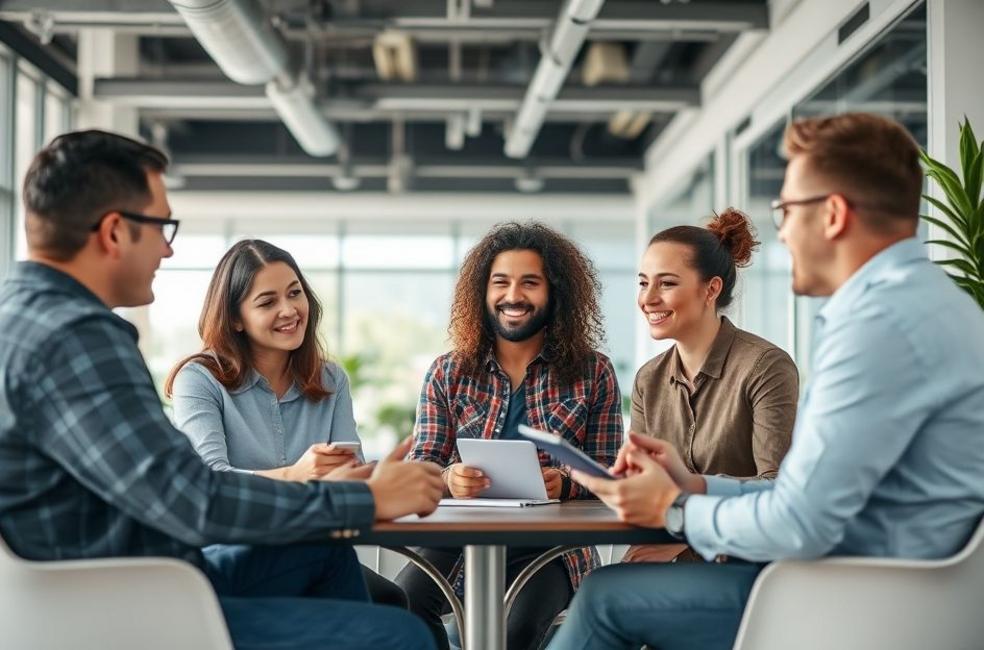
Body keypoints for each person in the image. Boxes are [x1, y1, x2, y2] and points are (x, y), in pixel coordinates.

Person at [547, 112, 984, 650]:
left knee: (602, 599)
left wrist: (673, 511)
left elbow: (800, 522)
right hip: (894, 582)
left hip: (867, 596)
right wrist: (696, 485)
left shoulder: (878, 324)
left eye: (786, 210)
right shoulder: (931, 304)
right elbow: (809, 495)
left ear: (832, 215)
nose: (780, 231)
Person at [0, 130, 442, 650]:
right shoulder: (76, 337)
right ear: (115, 232)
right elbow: (193, 498)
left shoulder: (25, 316)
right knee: (402, 634)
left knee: (326, 551)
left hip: (129, 581)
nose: (167, 247)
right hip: (126, 606)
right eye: (162, 226)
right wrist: (360, 499)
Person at [397, 222, 624, 650]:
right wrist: (448, 478)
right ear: (483, 293)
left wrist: (568, 485)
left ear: (554, 293)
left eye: (530, 283)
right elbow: (423, 460)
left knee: (514, 633)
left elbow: (610, 473)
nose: (514, 296)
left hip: (551, 550)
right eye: (500, 282)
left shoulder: (594, 372)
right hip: (458, 540)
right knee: (403, 604)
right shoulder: (448, 372)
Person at [166, 238, 408, 609]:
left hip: (315, 544)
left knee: (395, 601)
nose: (290, 310)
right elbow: (209, 479)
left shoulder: (331, 379)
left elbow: (350, 471)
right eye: (267, 302)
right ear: (235, 318)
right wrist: (295, 475)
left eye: (295, 293)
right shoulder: (199, 379)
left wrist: (375, 477)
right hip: (231, 554)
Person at [625, 208, 797, 563]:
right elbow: (647, 485)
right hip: (665, 552)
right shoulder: (649, 379)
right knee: (600, 588)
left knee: (601, 597)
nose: (648, 298)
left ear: (711, 289)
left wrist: (690, 537)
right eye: (644, 282)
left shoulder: (765, 366)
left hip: (743, 563)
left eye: (667, 283)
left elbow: (779, 489)